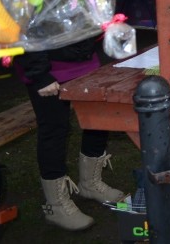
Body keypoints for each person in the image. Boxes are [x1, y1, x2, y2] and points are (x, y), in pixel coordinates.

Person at [16, 36, 126, 230]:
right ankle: (56, 206)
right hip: (46, 65)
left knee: (97, 119)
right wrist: (40, 74)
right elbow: (23, 26)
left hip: (82, 57)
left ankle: (90, 184)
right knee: (54, 128)